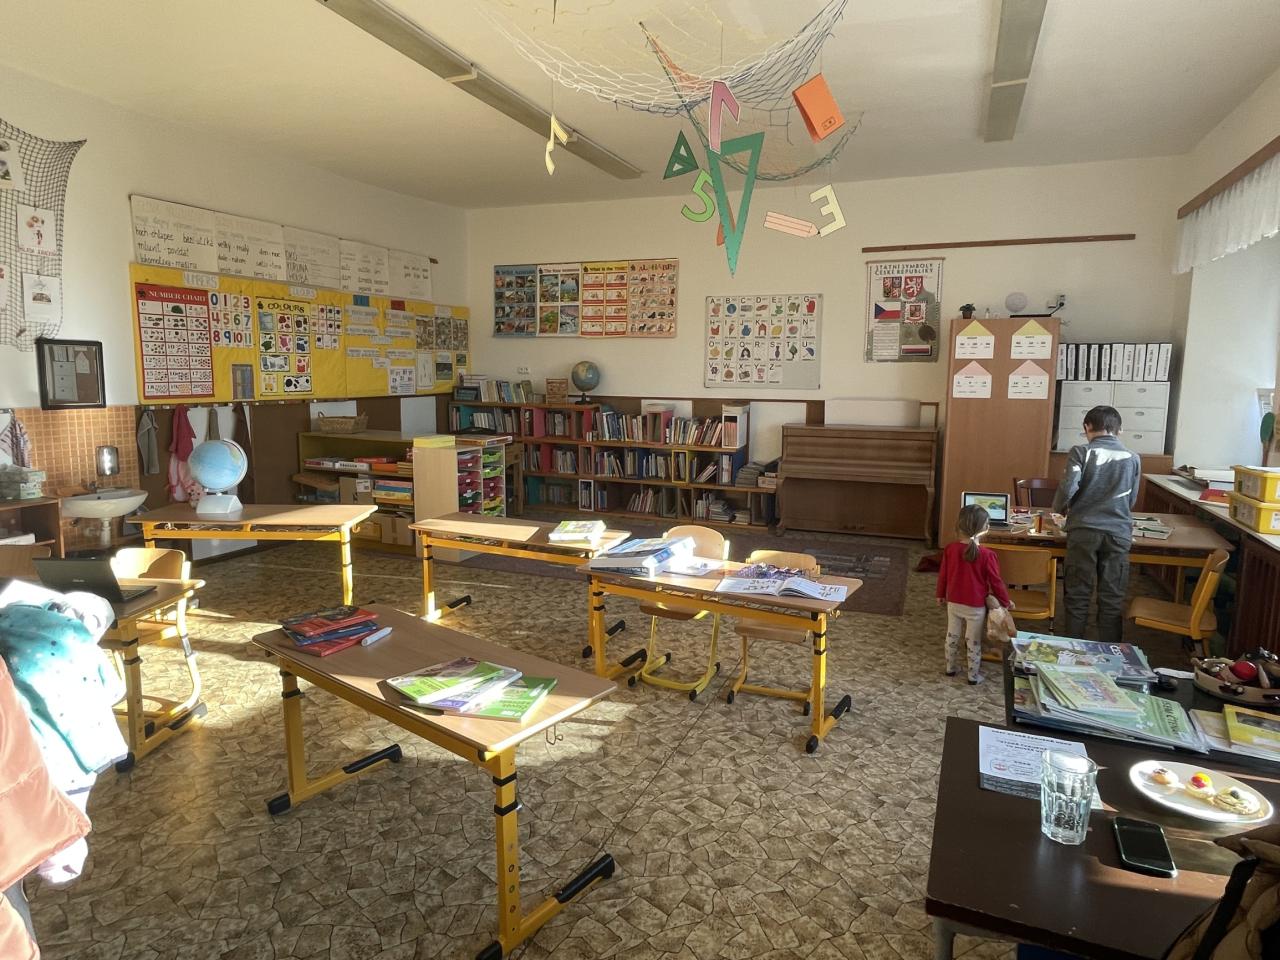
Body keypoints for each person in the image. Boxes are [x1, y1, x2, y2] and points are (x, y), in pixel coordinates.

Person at [1052, 405, 1142, 643]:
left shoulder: (1081, 451)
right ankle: (1110, 652)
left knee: (1077, 595)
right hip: (1118, 533)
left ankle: (1074, 648)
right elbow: (1131, 499)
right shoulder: (1133, 458)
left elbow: (1068, 487)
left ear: (1087, 427)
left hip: (1083, 531)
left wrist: (1058, 508)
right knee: (1112, 598)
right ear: (1119, 430)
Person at [936, 504, 1012, 684]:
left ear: (958, 525)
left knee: (952, 636)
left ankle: (950, 668)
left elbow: (943, 574)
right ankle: (973, 676)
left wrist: (940, 594)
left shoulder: (950, 549)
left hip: (954, 602)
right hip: (975, 606)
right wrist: (1005, 602)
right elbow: (996, 582)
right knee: (973, 641)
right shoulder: (987, 555)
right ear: (985, 528)